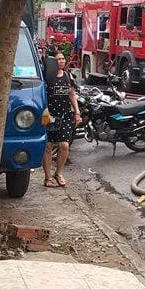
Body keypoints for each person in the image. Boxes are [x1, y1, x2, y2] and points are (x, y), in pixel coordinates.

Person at [42, 51, 81, 188]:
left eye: (63, 58)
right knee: (48, 146)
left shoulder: (67, 76)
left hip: (65, 115)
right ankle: (47, 177)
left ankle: (58, 173)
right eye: (58, 59)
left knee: (64, 145)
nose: (61, 61)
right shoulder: (47, 77)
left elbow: (71, 94)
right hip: (49, 116)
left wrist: (77, 112)